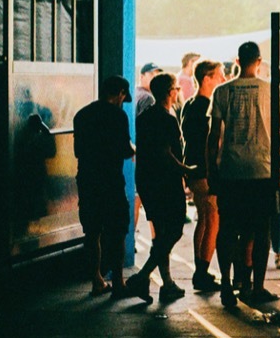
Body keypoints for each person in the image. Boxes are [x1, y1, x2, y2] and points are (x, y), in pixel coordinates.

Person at [207, 41, 278, 308]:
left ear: (237, 61)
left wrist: (212, 171)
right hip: (262, 170)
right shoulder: (270, 91)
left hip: (231, 171)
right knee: (261, 231)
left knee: (227, 229)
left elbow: (213, 136)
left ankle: (226, 284)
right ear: (258, 61)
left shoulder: (222, 91)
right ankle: (257, 287)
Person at [125, 74, 196, 303]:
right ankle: (142, 276)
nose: (178, 92)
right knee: (174, 230)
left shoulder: (145, 116)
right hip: (165, 182)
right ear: (169, 91)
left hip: (146, 180)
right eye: (176, 88)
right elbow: (166, 153)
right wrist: (186, 170)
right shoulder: (167, 119)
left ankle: (167, 283)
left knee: (162, 232)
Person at [73, 76, 134, 297]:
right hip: (111, 181)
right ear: (120, 93)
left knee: (92, 232)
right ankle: (118, 282)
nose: (123, 100)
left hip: (88, 180)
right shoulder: (119, 116)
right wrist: (134, 150)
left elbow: (78, 151)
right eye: (123, 96)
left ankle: (96, 281)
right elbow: (125, 151)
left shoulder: (82, 115)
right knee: (117, 231)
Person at [182, 58, 225, 291]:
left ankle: (201, 270)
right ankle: (202, 272)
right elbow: (207, 143)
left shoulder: (190, 104)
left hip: (193, 170)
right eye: (220, 75)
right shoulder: (205, 108)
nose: (223, 79)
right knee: (212, 219)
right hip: (205, 172)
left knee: (203, 218)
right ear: (207, 78)